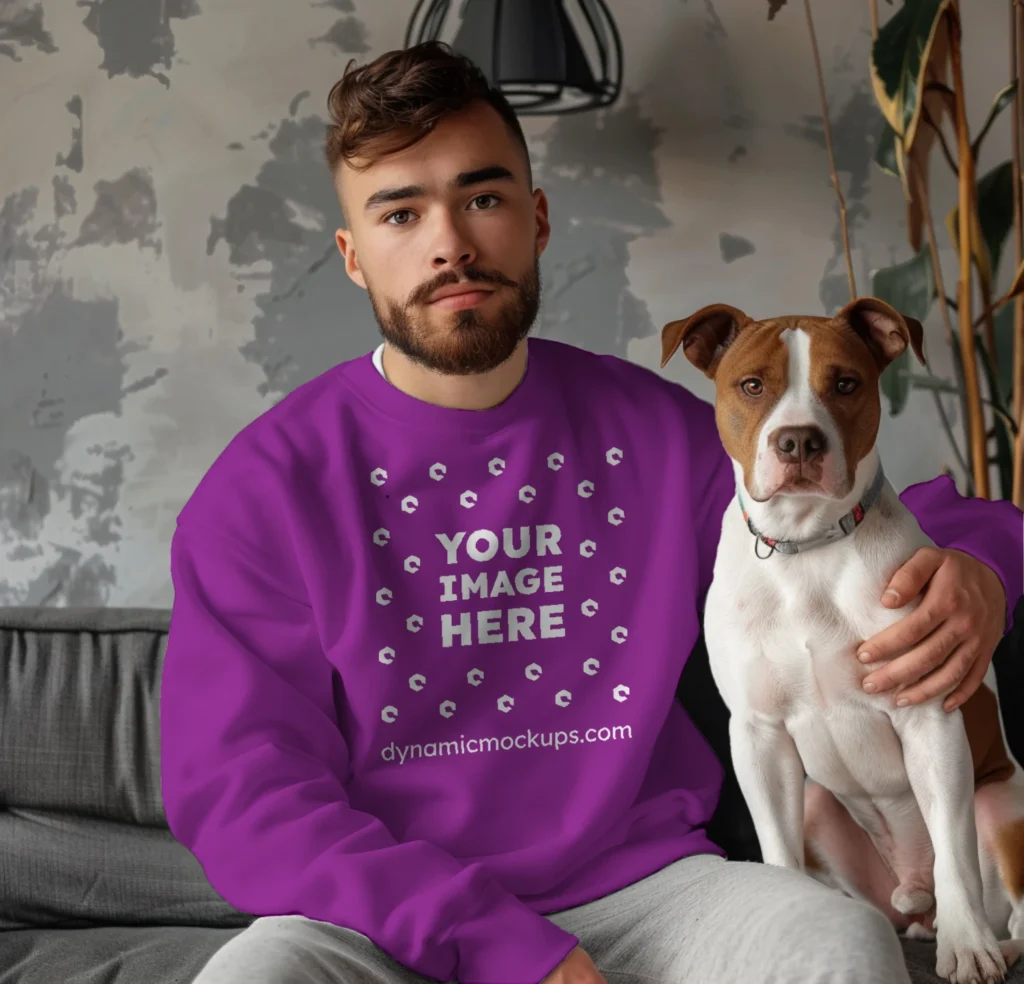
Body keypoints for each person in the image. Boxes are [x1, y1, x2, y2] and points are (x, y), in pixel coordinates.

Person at [161, 41, 1023, 984]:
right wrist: (499, 946)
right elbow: (246, 796)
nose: (449, 241)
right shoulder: (265, 486)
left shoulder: (653, 431)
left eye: (482, 197)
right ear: (354, 257)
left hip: (653, 894)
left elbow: (866, 514)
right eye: (400, 212)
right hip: (379, 920)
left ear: (535, 221)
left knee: (838, 948)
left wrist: (979, 571)